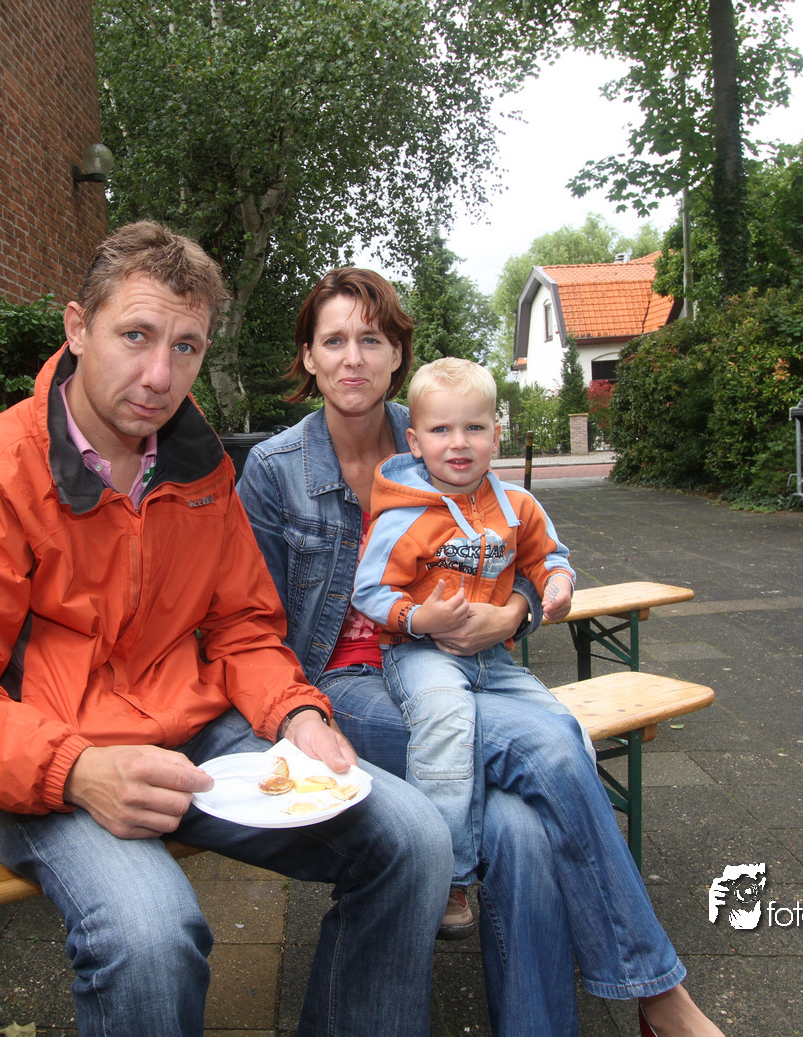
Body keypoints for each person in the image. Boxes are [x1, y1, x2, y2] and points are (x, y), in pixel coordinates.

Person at [0, 226, 450, 1037]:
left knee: (416, 840)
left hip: (196, 736)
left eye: (185, 347)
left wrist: (296, 714)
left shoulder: (201, 467)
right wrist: (75, 769)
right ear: (78, 328)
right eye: (135, 336)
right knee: (151, 935)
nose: (158, 376)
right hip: (49, 760)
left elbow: (243, 623)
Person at [236, 267, 725, 1037]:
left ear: (397, 355)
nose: (352, 357)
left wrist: (517, 613)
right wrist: (294, 716)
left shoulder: (444, 422)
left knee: (520, 831)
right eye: (332, 341)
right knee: (549, 742)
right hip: (344, 684)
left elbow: (519, 545)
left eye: (371, 339)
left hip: (465, 665)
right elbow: (249, 626)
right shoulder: (273, 471)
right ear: (307, 356)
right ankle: (658, 995)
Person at [352, 356, 593, 939]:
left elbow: (547, 558)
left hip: (493, 658)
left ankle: (569, 857)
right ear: (416, 441)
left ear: (495, 434)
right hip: (420, 653)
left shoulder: (518, 506)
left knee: (569, 732)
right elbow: (369, 590)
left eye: (474, 428)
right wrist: (418, 617)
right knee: (446, 724)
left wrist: (558, 586)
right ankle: (449, 873)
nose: (458, 443)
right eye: (441, 429)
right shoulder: (403, 515)